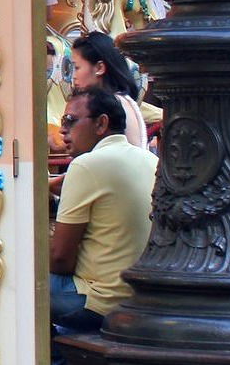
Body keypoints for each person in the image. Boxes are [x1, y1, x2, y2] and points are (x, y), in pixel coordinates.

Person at [50, 87, 156, 332]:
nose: (63, 129)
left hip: (101, 302)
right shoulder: (150, 160)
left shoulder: (87, 165)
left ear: (101, 124)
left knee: (13, 282)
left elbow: (60, 259)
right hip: (142, 298)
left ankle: (50, 364)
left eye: (70, 120)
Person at [70, 32, 150, 149]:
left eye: (77, 68)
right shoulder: (121, 100)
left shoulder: (112, 104)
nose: (74, 76)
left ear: (99, 68)